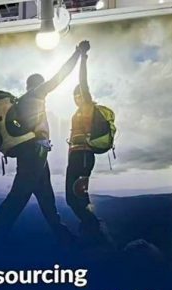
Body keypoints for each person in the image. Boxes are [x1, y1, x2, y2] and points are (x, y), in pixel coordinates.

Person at [0, 41, 90, 241]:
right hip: (34, 154)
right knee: (18, 197)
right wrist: (78, 53)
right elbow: (60, 76)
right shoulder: (37, 94)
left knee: (47, 200)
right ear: (38, 84)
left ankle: (65, 238)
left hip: (34, 153)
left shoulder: (22, 100)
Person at [66, 44, 107, 241]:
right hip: (77, 156)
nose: (77, 98)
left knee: (75, 197)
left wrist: (83, 57)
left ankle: (93, 229)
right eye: (74, 96)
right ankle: (91, 227)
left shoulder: (88, 106)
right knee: (75, 197)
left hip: (83, 156)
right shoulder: (79, 111)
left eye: (79, 95)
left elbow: (83, 81)